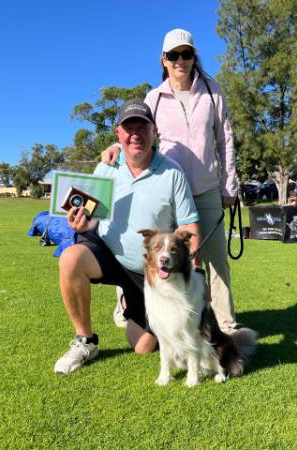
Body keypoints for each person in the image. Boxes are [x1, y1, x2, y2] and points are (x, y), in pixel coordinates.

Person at [103, 28, 239, 334]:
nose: (180, 60)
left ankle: (225, 325)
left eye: (186, 54)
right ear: (163, 59)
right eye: (173, 55)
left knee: (216, 262)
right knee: (158, 256)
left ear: (193, 57)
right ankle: (131, 304)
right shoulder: (154, 97)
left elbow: (225, 139)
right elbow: (137, 134)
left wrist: (229, 185)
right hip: (168, 192)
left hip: (205, 190)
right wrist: (114, 147)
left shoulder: (212, 91)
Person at [54, 99, 202, 374]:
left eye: (142, 127)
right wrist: (81, 225)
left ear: (154, 131)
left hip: (149, 272)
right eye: (128, 128)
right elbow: (92, 218)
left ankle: (125, 299)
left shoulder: (172, 172)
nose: (135, 134)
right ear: (118, 133)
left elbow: (189, 225)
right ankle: (86, 340)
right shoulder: (106, 167)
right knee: (70, 258)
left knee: (143, 346)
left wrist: (194, 268)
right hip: (107, 253)